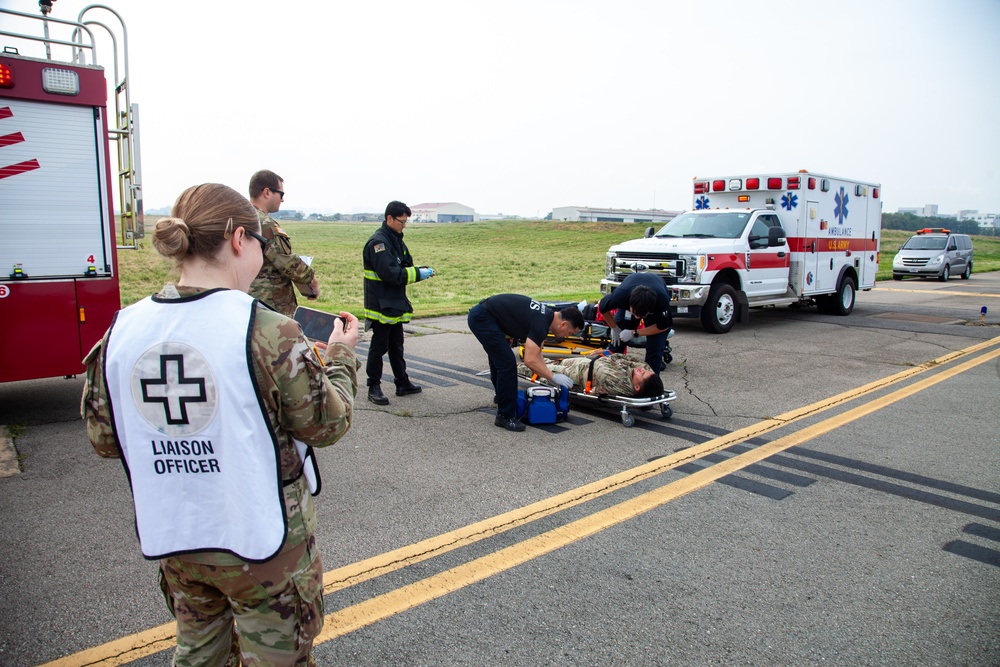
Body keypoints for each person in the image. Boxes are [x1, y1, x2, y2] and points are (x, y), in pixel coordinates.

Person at [81, 183, 359, 667]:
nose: (260, 253)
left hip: (179, 537)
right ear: (237, 239)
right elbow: (326, 426)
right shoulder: (267, 328)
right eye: (259, 243)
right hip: (261, 540)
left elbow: (104, 440)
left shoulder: (122, 328)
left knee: (198, 652)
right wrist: (339, 357)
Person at [468, 295, 584, 431]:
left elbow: (537, 354)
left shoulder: (546, 316)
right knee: (507, 363)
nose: (566, 336)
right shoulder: (542, 322)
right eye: (569, 333)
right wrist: (552, 377)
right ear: (563, 324)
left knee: (500, 360)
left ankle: (502, 398)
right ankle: (505, 416)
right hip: (483, 318)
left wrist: (548, 374)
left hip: (484, 315)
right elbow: (530, 360)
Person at [362, 200, 434, 405]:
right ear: (389, 218)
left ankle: (402, 382)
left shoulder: (396, 240)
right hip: (381, 304)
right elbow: (391, 274)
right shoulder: (379, 243)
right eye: (401, 222)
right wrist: (417, 273)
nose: (404, 226)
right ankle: (373, 386)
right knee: (380, 346)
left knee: (396, 345)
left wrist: (420, 271)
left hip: (394, 302)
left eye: (406, 222)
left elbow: (406, 264)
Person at [247, 169, 319, 317]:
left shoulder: (240, 218)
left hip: (247, 299)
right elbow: (289, 264)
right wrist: (312, 281)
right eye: (281, 194)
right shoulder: (265, 224)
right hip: (269, 305)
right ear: (267, 192)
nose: (282, 199)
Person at [597, 272, 673, 374]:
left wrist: (635, 333)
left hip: (657, 287)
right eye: (635, 313)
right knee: (617, 343)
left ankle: (650, 381)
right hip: (630, 287)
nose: (637, 317)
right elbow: (602, 306)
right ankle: (611, 375)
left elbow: (663, 327)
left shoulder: (661, 301)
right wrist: (614, 327)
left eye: (641, 316)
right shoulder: (621, 295)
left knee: (655, 348)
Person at [517, 352, 664, 398]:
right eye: (644, 371)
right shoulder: (631, 375)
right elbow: (641, 364)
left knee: (538, 370)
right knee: (551, 362)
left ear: (637, 387)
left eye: (642, 374)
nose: (640, 370)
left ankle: (511, 368)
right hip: (585, 366)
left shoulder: (617, 381)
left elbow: (603, 363)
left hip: (576, 376)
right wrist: (630, 366)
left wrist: (618, 361)